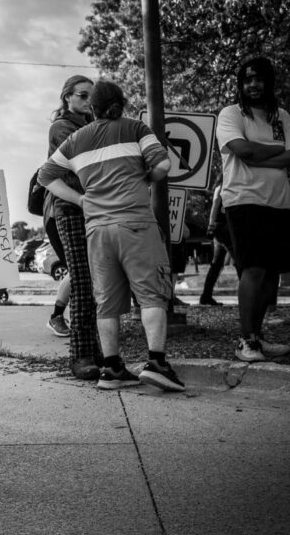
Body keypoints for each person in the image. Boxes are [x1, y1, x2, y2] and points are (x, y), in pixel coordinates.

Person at [39, 80, 185, 393]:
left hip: (96, 229)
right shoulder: (136, 128)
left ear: (92, 108)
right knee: (151, 293)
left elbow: (45, 176)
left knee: (105, 301)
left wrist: (82, 199)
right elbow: (163, 164)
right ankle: (157, 362)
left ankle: (111, 367)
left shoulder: (78, 138)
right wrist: (144, 177)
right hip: (135, 222)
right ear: (121, 103)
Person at [216, 57, 290, 362]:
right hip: (244, 200)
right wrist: (275, 150)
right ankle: (245, 340)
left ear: (269, 82)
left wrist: (260, 155)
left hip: (280, 202)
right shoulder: (231, 114)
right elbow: (242, 151)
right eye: (247, 79)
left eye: (259, 79)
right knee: (252, 269)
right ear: (240, 85)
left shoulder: (281, 116)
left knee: (270, 277)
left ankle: (258, 337)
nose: (253, 84)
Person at [45, 76, 101, 380]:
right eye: (82, 96)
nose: (87, 101)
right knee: (81, 282)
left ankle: (98, 351)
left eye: (91, 97)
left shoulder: (92, 122)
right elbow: (84, 159)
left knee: (96, 284)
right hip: (69, 209)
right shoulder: (62, 127)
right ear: (67, 97)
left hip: (94, 209)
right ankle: (81, 356)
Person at [199, 180, 234, 306]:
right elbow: (215, 206)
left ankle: (206, 296)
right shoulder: (222, 187)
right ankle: (251, 296)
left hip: (223, 228)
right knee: (240, 261)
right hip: (222, 228)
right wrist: (211, 226)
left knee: (217, 264)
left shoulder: (229, 186)